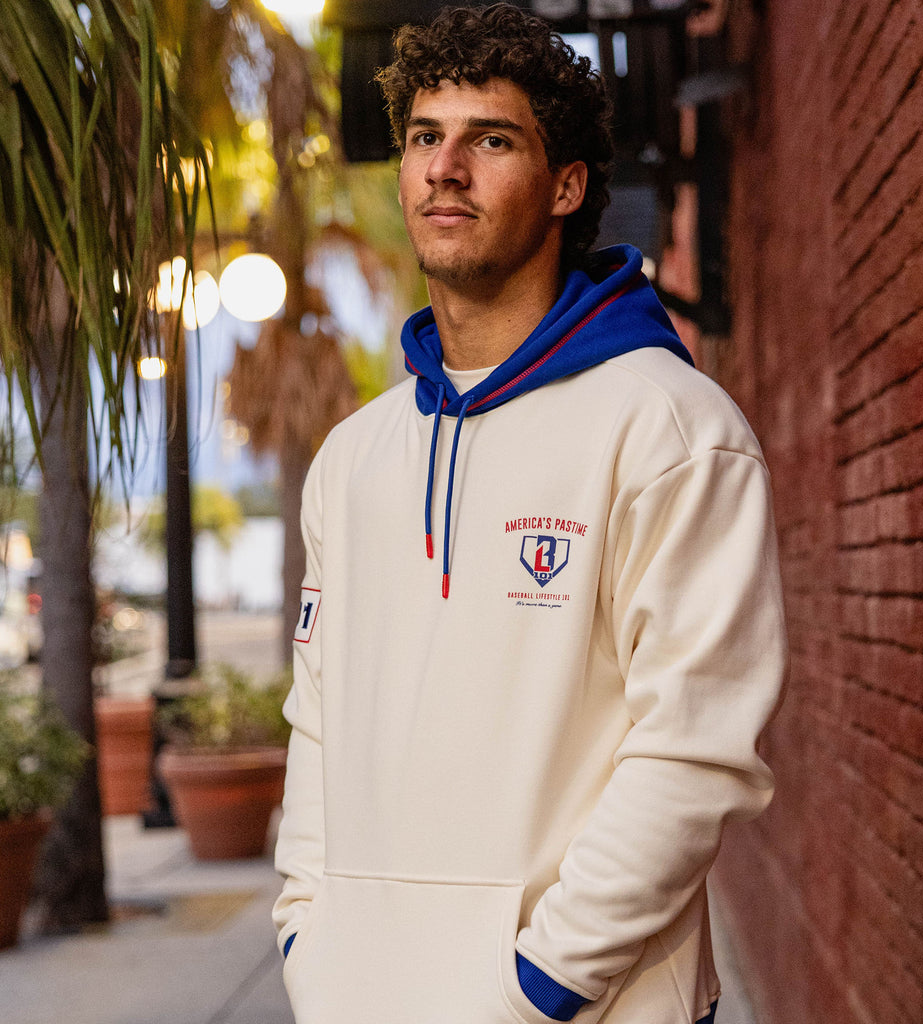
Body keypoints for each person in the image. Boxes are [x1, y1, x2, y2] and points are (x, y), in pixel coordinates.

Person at [273, 5, 786, 1023]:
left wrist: (533, 990)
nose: (444, 168)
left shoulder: (670, 429)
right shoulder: (353, 458)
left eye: (489, 139)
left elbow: (693, 747)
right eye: (426, 137)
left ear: (565, 187)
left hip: (579, 1007)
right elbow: (316, 723)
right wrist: (308, 940)